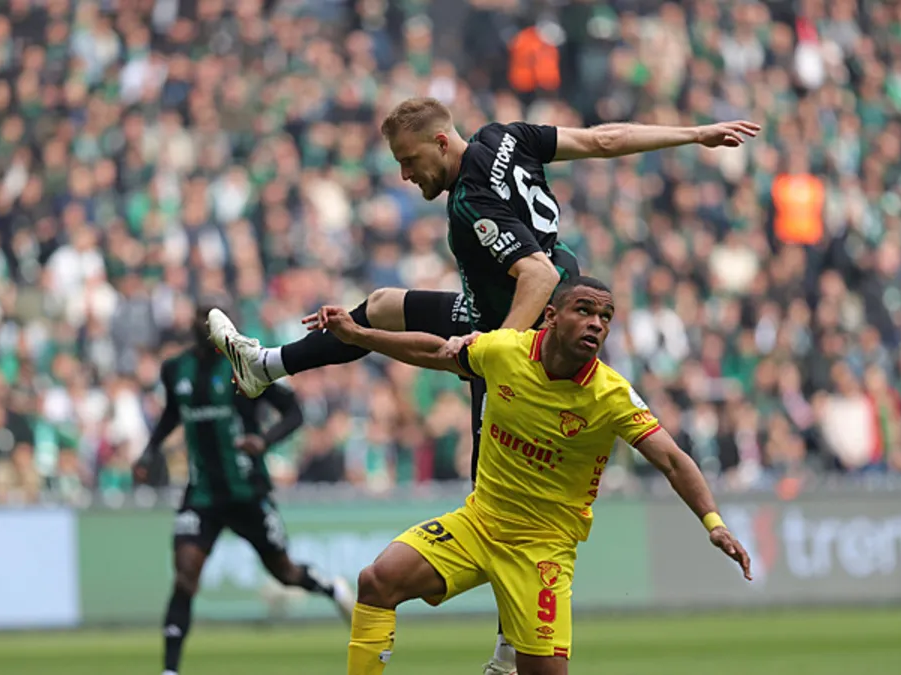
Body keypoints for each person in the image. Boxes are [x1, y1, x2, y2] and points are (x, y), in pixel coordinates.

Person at [208, 97, 758, 674]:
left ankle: (506, 650)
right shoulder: (506, 137)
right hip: (503, 313)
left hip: (524, 330)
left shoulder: (471, 200)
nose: (405, 174)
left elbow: (538, 275)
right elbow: (602, 141)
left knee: (495, 490)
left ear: (441, 142)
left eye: (409, 160)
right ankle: (266, 365)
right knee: (383, 305)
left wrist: (501, 352)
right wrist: (693, 133)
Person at [314, 276, 753, 675]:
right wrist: (359, 336)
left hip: (541, 549)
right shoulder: (505, 351)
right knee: (377, 581)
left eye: (605, 316)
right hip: (479, 524)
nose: (596, 323)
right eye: (584, 310)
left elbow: (673, 460)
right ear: (551, 316)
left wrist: (713, 522)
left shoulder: (612, 395)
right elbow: (436, 352)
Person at [135, 302, 355, 675]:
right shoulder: (175, 370)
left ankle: (331, 588)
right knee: (185, 574)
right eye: (199, 318)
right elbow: (172, 412)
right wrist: (149, 450)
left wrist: (264, 441)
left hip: (247, 490)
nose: (203, 325)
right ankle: (169, 670)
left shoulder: (246, 365)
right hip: (201, 493)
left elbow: (294, 411)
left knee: (284, 571)